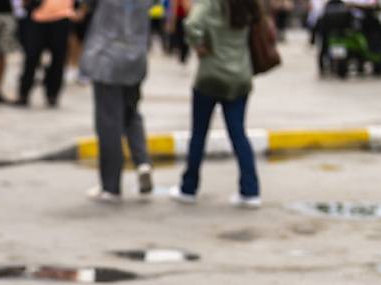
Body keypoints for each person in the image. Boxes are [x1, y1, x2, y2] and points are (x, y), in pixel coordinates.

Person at [172, 0, 261, 208]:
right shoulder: (248, 4)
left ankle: (189, 188)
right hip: (239, 75)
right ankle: (250, 191)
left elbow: (192, 24)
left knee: (199, 134)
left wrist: (198, 45)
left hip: (210, 75)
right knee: (238, 134)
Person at [81, 0, 153, 203]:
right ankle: (143, 162)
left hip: (107, 57)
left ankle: (111, 186)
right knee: (131, 112)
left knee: (108, 123)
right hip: (135, 58)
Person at [16, 0, 74, 108]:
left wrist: (81, 9)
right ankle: (24, 93)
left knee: (58, 58)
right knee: (31, 56)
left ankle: (52, 94)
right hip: (37, 16)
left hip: (62, 16)